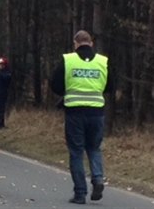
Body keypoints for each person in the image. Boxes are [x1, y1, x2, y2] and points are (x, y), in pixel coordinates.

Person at [50, 30, 113, 205]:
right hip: (96, 113)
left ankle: (80, 193)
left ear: (75, 43)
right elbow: (110, 86)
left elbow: (54, 84)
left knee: (76, 152)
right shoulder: (103, 61)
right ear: (91, 43)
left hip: (75, 113)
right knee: (94, 148)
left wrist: (66, 92)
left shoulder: (68, 60)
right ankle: (98, 179)